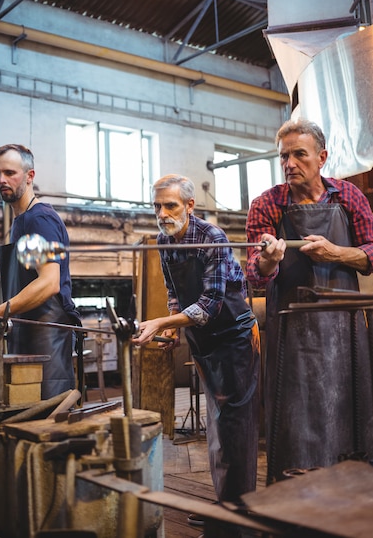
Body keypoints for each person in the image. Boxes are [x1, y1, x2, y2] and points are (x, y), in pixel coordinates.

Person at [246, 118, 373, 483]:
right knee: (295, 416)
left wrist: (336, 254)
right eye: (284, 156)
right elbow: (254, 272)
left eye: (299, 155)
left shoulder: (349, 197)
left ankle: (355, 488)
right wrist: (269, 260)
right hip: (292, 333)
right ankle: (294, 494)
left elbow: (370, 252)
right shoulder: (267, 204)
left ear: (322, 158)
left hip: (345, 327)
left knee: (351, 405)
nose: (289, 164)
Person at [133, 174, 261, 516]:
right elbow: (175, 292)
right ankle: (225, 505)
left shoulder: (212, 238)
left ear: (190, 205)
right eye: (157, 206)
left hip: (234, 338)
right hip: (203, 341)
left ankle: (240, 511)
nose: (162, 213)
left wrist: (161, 322)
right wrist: (174, 327)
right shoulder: (164, 240)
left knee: (236, 426)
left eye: (170, 205)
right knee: (216, 425)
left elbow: (210, 305)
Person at [0, 144, 81, 400]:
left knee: (48, 416)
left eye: (10, 172)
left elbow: (49, 282)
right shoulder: (22, 222)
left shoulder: (39, 220)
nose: (1, 180)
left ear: (30, 176)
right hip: (26, 331)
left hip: (46, 336)